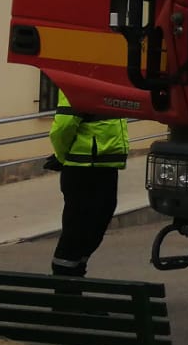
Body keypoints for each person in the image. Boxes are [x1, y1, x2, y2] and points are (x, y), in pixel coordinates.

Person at [47, 89, 130, 279]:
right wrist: (62, 157)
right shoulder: (76, 84)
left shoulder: (106, 83)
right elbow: (62, 128)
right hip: (83, 168)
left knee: (94, 229)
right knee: (77, 232)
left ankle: (76, 285)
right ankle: (65, 294)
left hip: (105, 166)